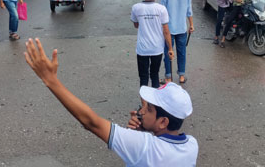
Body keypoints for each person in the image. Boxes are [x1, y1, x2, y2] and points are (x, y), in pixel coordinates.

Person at [22, 38, 198, 166]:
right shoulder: (191, 145)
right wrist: (145, 128)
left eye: (149, 109)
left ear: (163, 121)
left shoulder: (144, 146)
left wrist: (50, 80)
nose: (142, 111)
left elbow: (91, 122)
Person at [131, 0, 174, 88]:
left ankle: (144, 104)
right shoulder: (161, 9)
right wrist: (170, 49)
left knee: (143, 77)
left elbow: (136, 25)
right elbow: (166, 31)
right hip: (157, 48)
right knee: (155, 75)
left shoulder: (136, 8)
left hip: (142, 49)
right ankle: (154, 103)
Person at [161, 0, 194, 84]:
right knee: (182, 52)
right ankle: (181, 76)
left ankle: (168, 77)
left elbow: (162, 9)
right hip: (181, 27)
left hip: (168, 28)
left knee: (168, 51)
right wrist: (191, 25)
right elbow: (189, 10)